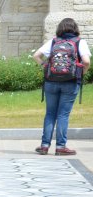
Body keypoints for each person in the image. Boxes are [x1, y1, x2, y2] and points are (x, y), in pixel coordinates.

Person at [33, 18, 90, 156]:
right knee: (63, 115)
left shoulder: (53, 42)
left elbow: (36, 56)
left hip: (51, 81)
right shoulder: (79, 42)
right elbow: (86, 61)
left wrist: (44, 66)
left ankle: (44, 145)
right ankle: (60, 147)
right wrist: (81, 73)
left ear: (60, 28)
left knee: (50, 114)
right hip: (70, 83)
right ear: (75, 28)